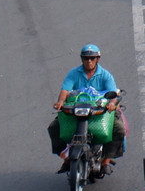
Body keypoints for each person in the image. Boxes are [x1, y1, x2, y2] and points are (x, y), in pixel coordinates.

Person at [49, 44, 126, 176]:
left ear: (97, 59)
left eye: (92, 58)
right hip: (76, 112)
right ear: (82, 59)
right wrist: (61, 102)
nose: (88, 61)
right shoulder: (73, 74)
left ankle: (106, 161)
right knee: (54, 128)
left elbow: (113, 93)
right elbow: (65, 90)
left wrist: (112, 104)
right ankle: (67, 159)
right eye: (86, 58)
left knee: (119, 129)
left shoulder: (105, 75)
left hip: (100, 113)